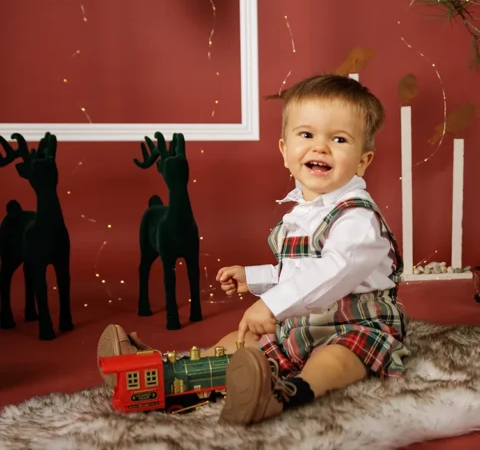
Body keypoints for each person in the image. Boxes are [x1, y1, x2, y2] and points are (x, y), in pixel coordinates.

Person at [96, 74, 410, 426]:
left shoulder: (357, 218)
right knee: (240, 341)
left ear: (363, 161)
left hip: (357, 324)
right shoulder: (301, 211)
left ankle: (286, 395)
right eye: (306, 135)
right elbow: (299, 269)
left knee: (336, 359)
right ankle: (167, 373)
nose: (320, 147)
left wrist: (273, 304)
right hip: (303, 323)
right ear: (285, 151)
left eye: (338, 139)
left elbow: (333, 272)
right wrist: (256, 278)